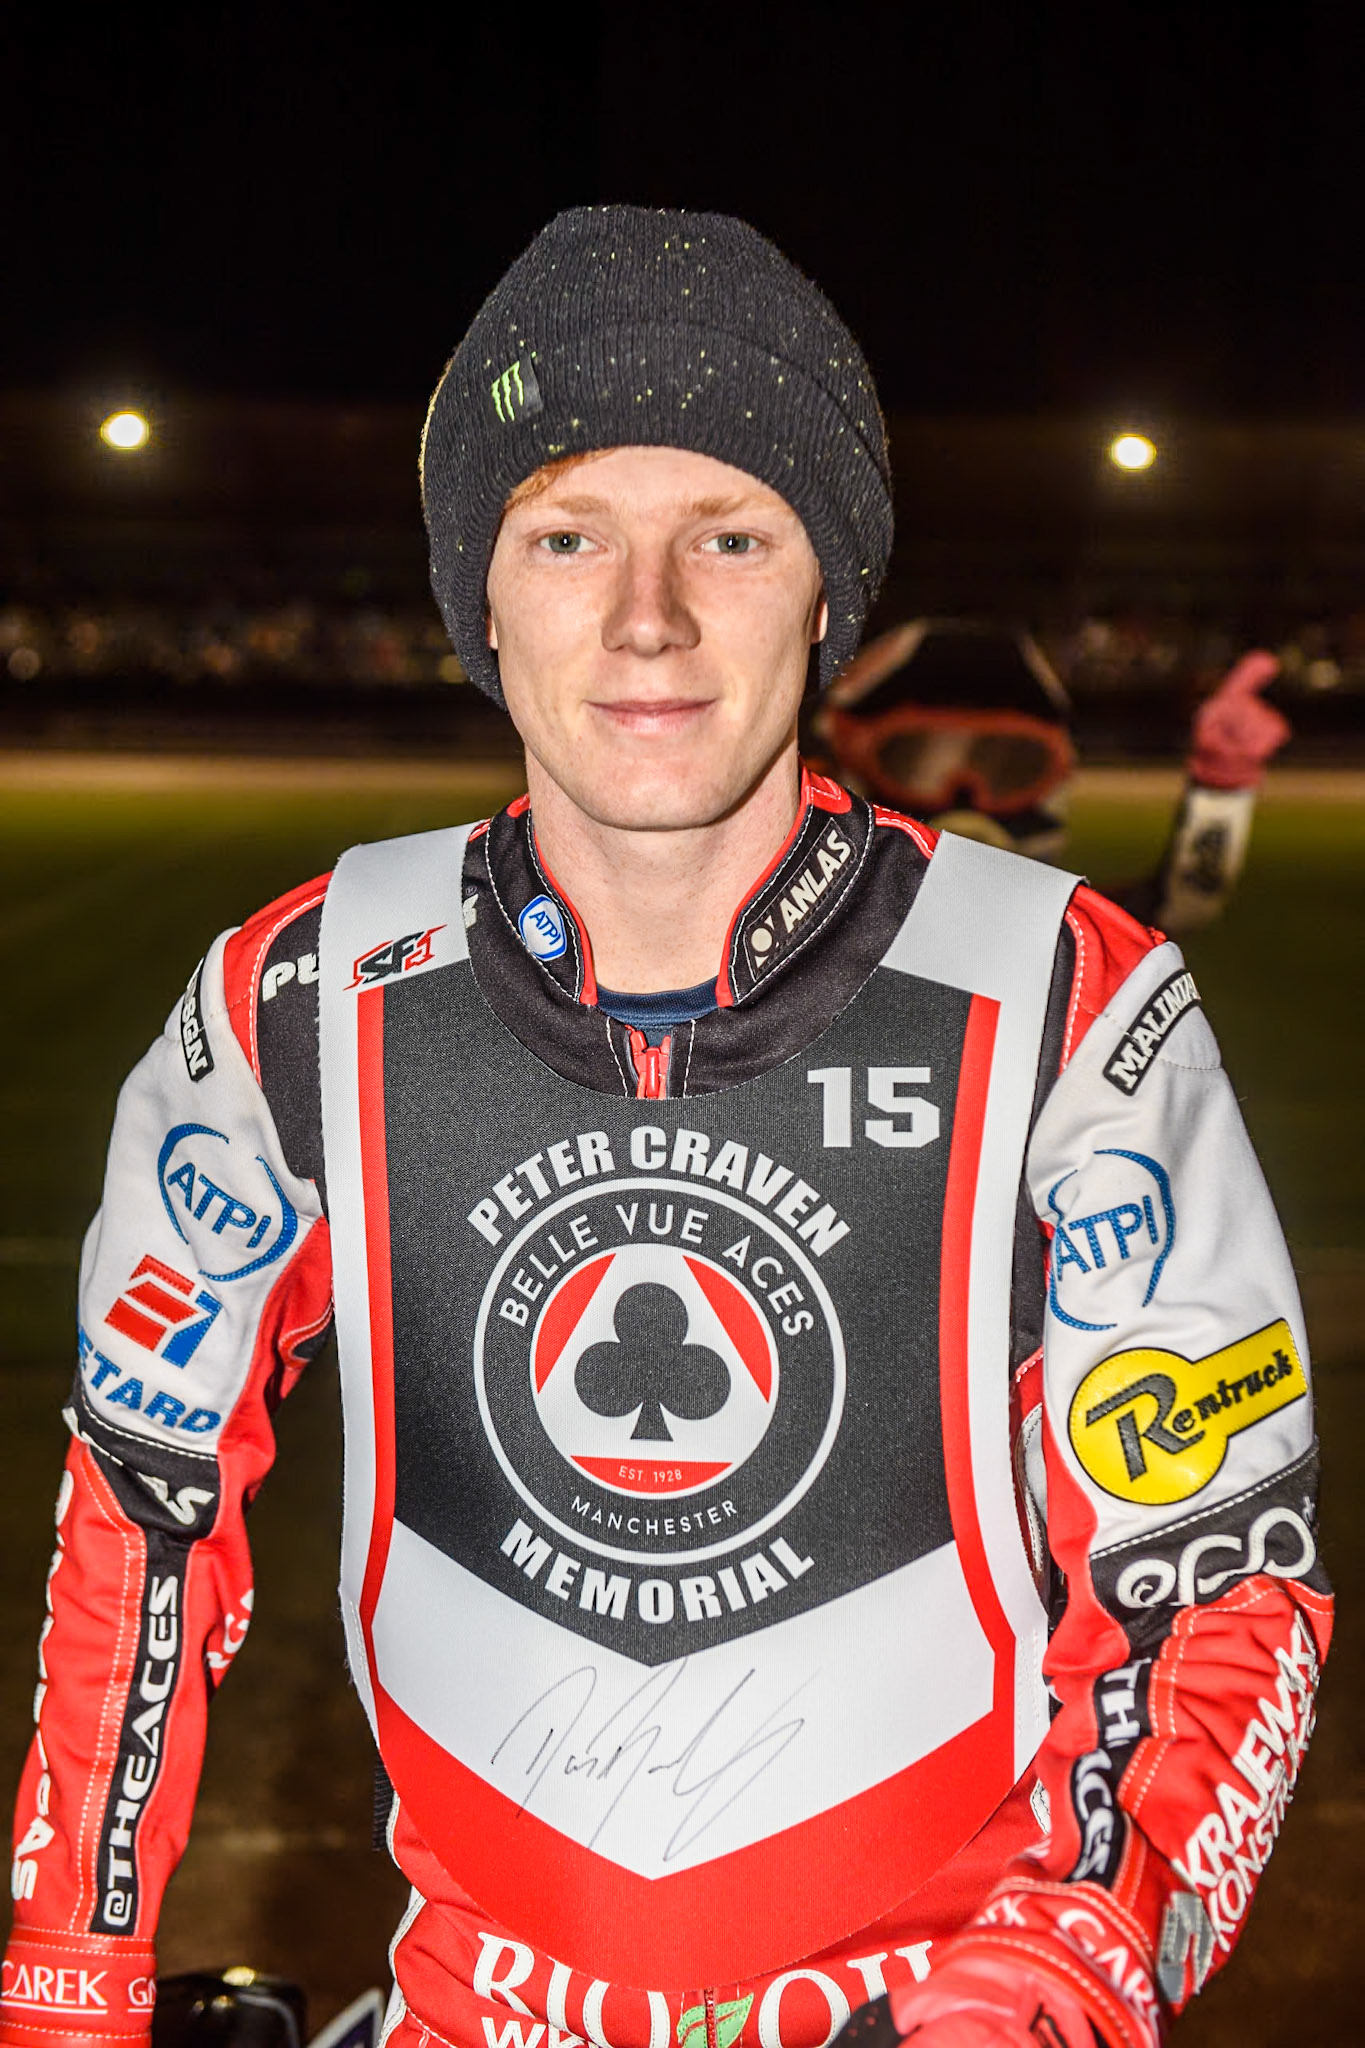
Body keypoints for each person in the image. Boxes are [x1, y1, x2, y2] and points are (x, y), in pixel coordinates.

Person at [1, 208, 1331, 2048]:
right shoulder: (288, 1000)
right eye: (566, 535)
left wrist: (1055, 1973)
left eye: (730, 531)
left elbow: (1218, 1594)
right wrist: (65, 1986)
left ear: (825, 596)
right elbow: (138, 1514)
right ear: (484, 589)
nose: (648, 617)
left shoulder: (1080, 1003)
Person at [811, 621, 1291, 931]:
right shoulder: (797, 924)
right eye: (919, 760)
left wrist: (1220, 793)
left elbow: (1184, 903)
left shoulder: (1048, 926)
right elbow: (1185, 904)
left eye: (1007, 764)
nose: (964, 792)